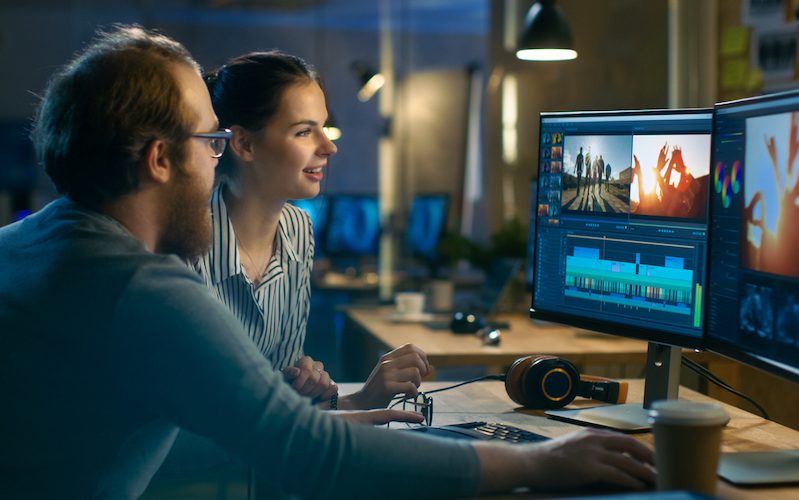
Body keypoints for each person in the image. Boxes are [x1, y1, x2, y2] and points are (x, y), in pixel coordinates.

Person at [0, 24, 656, 499]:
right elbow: (310, 461)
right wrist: (539, 466)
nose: (217, 160)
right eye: (209, 143)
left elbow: (156, 434)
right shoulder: (144, 289)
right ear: (160, 160)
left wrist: (315, 418)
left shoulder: (19, 247)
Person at [198, 51, 426, 411]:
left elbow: (283, 406)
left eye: (322, 127)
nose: (329, 146)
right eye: (304, 131)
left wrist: (320, 390)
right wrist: (352, 406)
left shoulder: (298, 229)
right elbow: (209, 412)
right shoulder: (187, 240)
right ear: (243, 143)